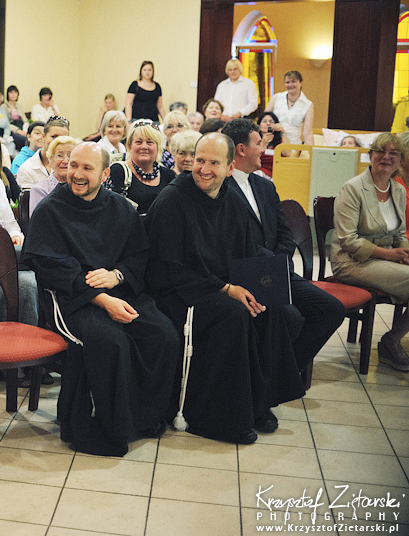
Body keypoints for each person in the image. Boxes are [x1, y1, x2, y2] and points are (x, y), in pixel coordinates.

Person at [145, 133, 305, 444]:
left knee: (269, 308)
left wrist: (251, 286)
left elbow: (246, 251)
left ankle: (259, 403)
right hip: (178, 293)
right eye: (199, 160)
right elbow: (166, 269)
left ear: (229, 168)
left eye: (213, 163)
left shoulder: (231, 200)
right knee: (234, 315)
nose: (203, 169)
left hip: (222, 285)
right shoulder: (172, 201)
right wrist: (225, 289)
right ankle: (219, 419)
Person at [23, 142, 179, 456]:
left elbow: (138, 254)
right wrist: (100, 298)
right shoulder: (50, 210)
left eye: (86, 168)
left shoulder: (120, 207)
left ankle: (144, 419)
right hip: (71, 298)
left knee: (163, 335)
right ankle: (107, 429)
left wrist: (117, 275)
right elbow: (51, 266)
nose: (77, 174)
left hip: (118, 288)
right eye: (73, 166)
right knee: (111, 341)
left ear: (105, 173)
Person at [221, 117, 345, 372]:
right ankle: (269, 382)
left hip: (278, 269)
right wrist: (272, 264)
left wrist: (281, 260)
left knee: (331, 309)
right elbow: (231, 241)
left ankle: (283, 374)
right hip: (245, 273)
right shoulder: (221, 188)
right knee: (290, 317)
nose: (264, 149)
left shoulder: (264, 186)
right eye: (259, 143)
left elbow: (284, 232)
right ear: (242, 149)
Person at [330, 133, 409, 371]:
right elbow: (348, 241)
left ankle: (392, 340)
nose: (386, 157)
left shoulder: (398, 190)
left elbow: (399, 234)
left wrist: (405, 252)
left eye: (393, 153)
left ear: (400, 160)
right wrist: (391, 255)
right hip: (351, 262)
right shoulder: (353, 188)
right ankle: (391, 342)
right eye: (381, 151)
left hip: (385, 260)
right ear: (370, 155)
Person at [104, 122, 173, 214]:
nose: (144, 147)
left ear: (158, 147)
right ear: (130, 146)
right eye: (138, 142)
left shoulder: (168, 175)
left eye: (149, 142)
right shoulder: (118, 171)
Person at [28, 135, 77, 215]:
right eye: (59, 155)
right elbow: (40, 224)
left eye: (70, 155)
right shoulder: (40, 190)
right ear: (51, 160)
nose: (65, 161)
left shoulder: (81, 187)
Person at [16, 117, 70, 188]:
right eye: (54, 137)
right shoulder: (27, 169)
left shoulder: (72, 166)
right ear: (43, 137)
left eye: (63, 138)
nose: (58, 141)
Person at [265, 70, 314, 146]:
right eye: (287, 82)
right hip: (273, 143)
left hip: (293, 146)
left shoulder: (308, 105)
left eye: (293, 81)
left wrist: (311, 153)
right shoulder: (276, 97)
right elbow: (264, 120)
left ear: (301, 83)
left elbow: (307, 133)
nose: (290, 85)